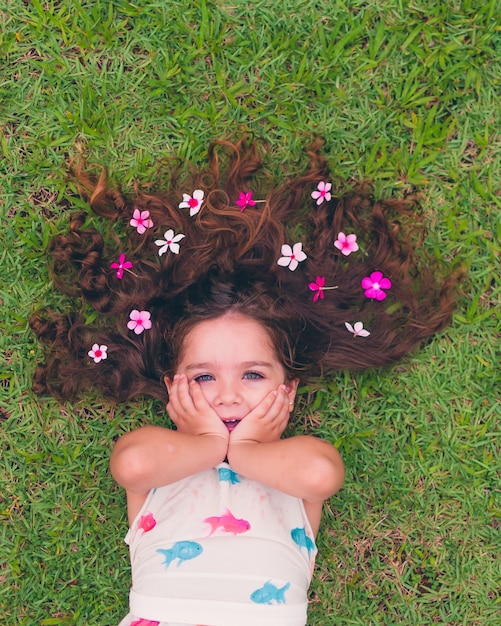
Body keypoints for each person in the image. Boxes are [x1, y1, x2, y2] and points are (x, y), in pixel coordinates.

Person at [31, 138, 458, 626]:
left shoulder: (290, 463)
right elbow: (130, 464)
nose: (229, 394)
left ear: (288, 389)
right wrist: (210, 444)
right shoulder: (167, 456)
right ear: (174, 388)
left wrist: (249, 449)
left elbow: (324, 475)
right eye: (205, 376)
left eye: (253, 375)